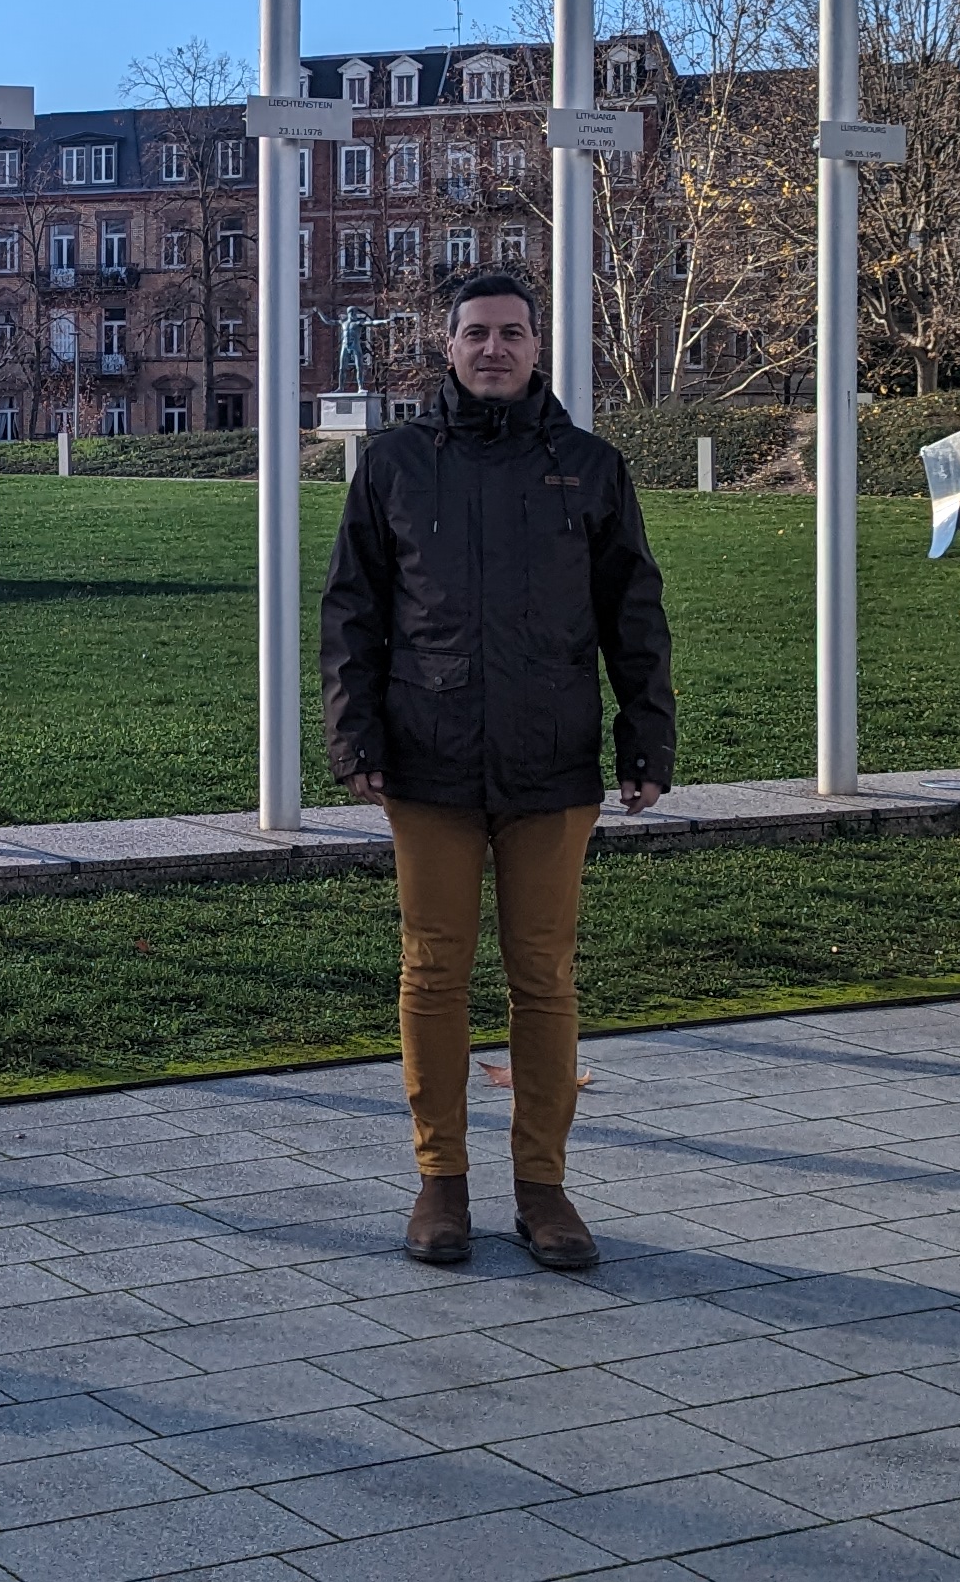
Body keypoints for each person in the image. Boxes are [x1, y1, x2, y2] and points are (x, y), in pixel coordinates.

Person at [321, 273, 674, 1270]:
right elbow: (352, 611)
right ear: (448, 346)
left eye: (511, 332)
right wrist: (355, 738)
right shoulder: (394, 465)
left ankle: (543, 1189)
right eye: (475, 332)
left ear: (536, 347)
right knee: (433, 972)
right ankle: (440, 1182)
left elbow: (634, 613)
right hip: (426, 760)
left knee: (543, 978)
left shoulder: (589, 468)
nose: (493, 348)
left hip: (551, 760)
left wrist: (647, 739)